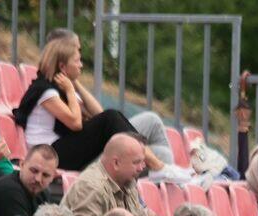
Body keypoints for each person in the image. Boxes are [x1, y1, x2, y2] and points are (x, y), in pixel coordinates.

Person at [15, 31, 188, 180]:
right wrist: (70, 89)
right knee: (112, 118)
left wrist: (75, 84)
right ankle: (159, 168)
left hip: (70, 149)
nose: (81, 65)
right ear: (62, 66)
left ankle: (163, 170)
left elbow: (98, 113)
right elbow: (76, 123)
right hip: (53, 155)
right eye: (77, 60)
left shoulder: (63, 86)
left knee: (154, 129)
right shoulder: (45, 91)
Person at [59, 133, 156, 216]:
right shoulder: (91, 187)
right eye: (136, 162)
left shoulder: (127, 181)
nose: (141, 168)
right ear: (116, 163)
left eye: (142, 162)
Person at [0, 143, 57, 216]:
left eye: (45, 175)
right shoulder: (9, 190)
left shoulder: (43, 192)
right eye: (34, 171)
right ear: (22, 165)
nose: (38, 179)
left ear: (53, 177)